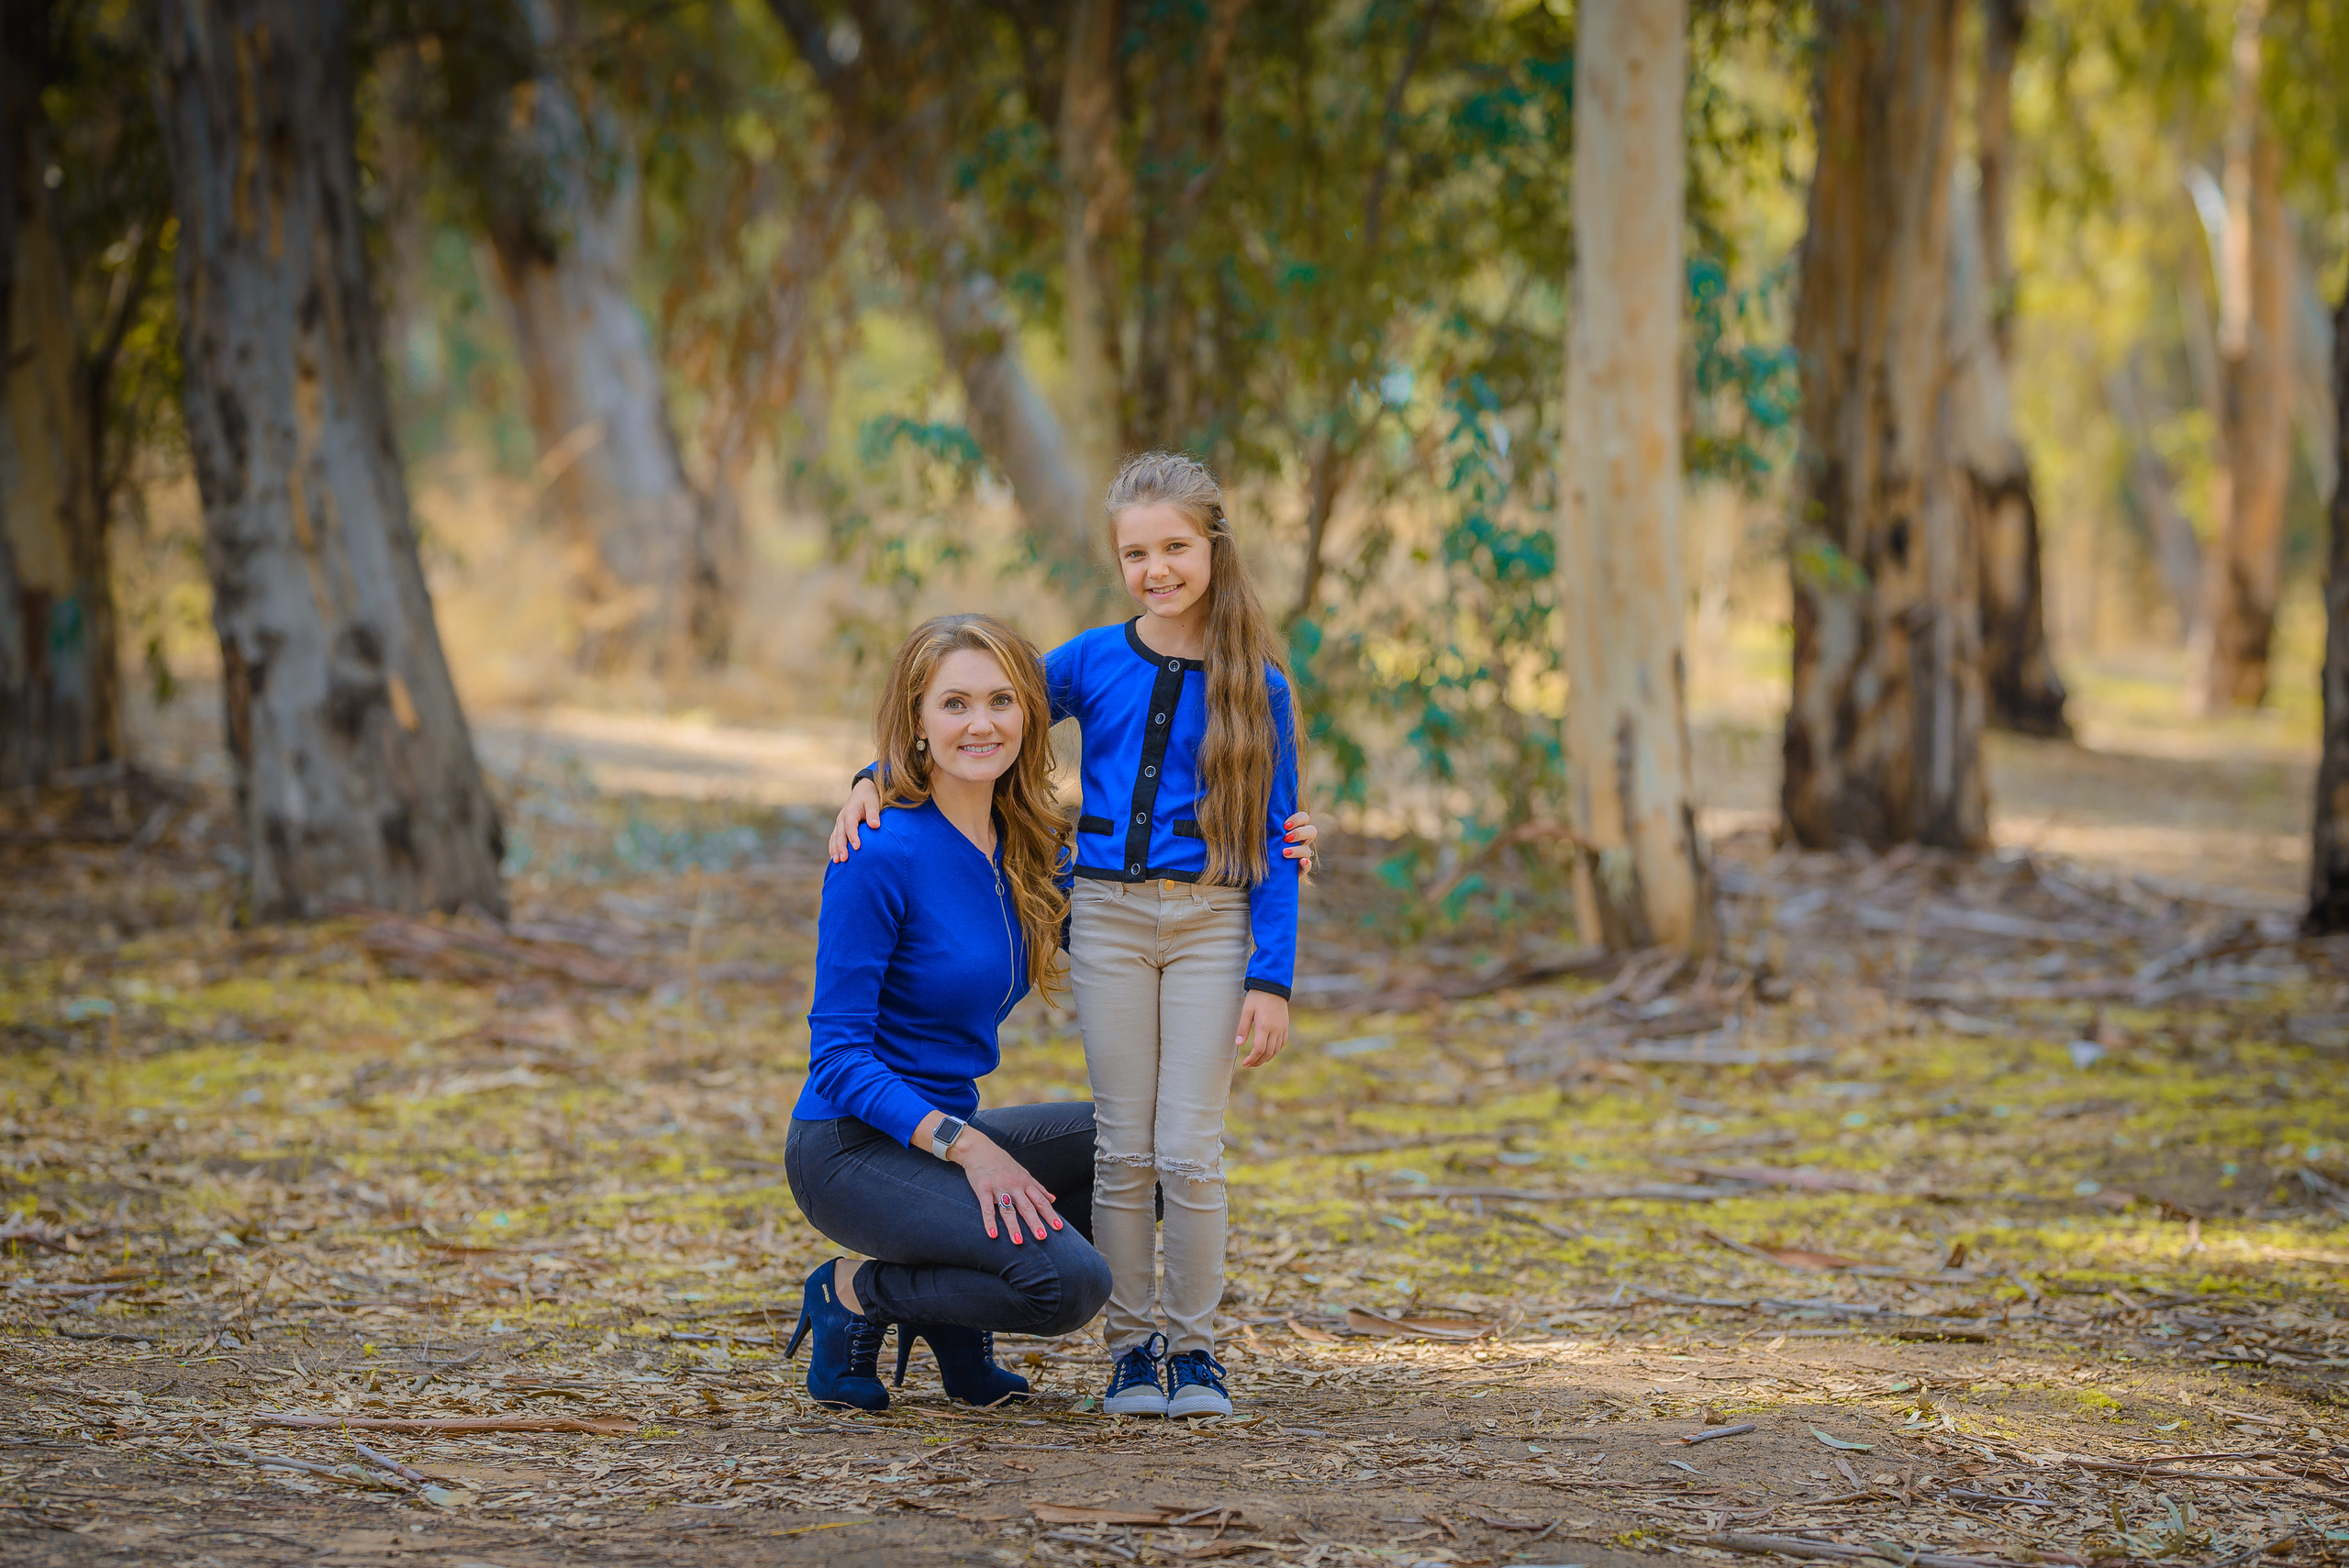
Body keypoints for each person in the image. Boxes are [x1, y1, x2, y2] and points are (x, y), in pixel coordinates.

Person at [831, 451, 1308, 1418]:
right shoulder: (1090, 659)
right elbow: (978, 711)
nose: (1156, 569)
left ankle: (1196, 1347)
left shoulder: (1260, 686)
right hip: (1110, 918)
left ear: (1212, 546)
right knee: (1125, 1145)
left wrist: (1272, 974)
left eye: (1174, 546)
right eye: (1135, 552)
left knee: (1190, 1147)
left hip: (1213, 919)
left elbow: (1277, 838)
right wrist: (872, 778)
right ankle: (1131, 1353)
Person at [785, 613, 1111, 1411]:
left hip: (946, 1136)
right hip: (851, 1148)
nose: (981, 722)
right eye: (954, 703)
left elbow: (1157, 887)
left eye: (1001, 700)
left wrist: (1278, 842)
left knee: (1146, 1149)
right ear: (918, 722)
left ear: (1029, 714)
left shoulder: (1032, 844)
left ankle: (957, 1327)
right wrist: (969, 1149)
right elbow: (837, 1058)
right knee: (1067, 1285)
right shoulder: (876, 851)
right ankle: (852, 1293)